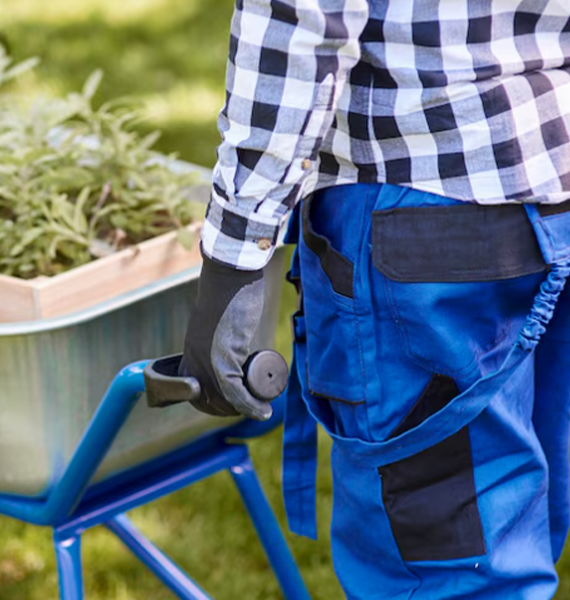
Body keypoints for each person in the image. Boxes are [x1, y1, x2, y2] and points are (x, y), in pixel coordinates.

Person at [180, 0, 570, 597]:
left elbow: (299, 20)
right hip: (552, 170)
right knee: (515, 533)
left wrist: (234, 256)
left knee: (451, 576)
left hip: (419, 206)